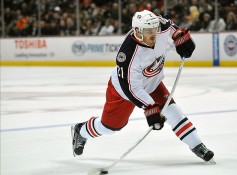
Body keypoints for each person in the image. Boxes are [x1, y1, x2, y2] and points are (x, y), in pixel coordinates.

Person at [71, 10, 214, 162]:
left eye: (154, 29)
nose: (153, 34)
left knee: (173, 111)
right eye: (148, 31)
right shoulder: (128, 54)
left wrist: (179, 36)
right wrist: (150, 107)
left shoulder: (159, 26)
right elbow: (132, 89)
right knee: (109, 127)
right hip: (123, 91)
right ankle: (81, 131)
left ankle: (197, 145)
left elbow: (170, 25)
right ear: (138, 31)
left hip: (152, 82)